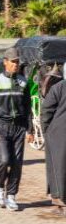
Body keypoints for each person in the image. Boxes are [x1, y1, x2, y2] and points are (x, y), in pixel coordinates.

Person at [0, 47, 34, 211]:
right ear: (5, 62)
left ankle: (11, 195)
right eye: (13, 62)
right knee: (4, 160)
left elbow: (28, 108)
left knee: (17, 163)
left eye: (17, 62)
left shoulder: (23, 82)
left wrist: (30, 130)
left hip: (19, 127)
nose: (16, 65)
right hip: (1, 126)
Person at [41, 76, 66, 216]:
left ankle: (59, 200)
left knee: (57, 166)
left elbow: (46, 111)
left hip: (58, 134)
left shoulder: (57, 88)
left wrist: (46, 131)